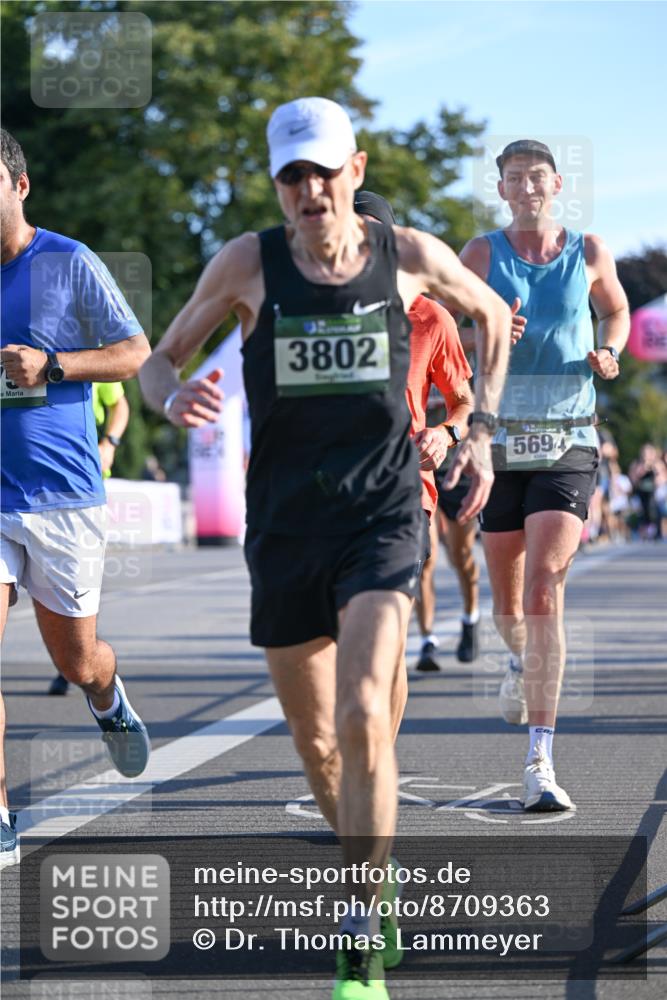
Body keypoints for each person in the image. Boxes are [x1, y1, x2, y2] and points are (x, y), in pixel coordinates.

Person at [139, 97, 510, 999]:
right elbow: (159, 357)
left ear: (355, 169)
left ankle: (354, 931)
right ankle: (369, 882)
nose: (310, 190)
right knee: (317, 743)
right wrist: (169, 394)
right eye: (291, 176)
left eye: (324, 171)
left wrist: (479, 432)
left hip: (383, 518)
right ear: (278, 184)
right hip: (283, 529)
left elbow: (493, 318)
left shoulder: (407, 255)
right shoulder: (247, 264)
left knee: (359, 712)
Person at [459, 138, 629, 811]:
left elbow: (613, 309)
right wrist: (489, 330)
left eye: (536, 176)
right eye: (513, 178)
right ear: (500, 189)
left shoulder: (586, 251)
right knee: (507, 608)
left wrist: (607, 350)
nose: (526, 187)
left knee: (543, 588)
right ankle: (515, 657)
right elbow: (450, 330)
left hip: (567, 437)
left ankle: (539, 758)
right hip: (497, 440)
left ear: (555, 183)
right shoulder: (479, 254)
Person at [0, 129, 152, 867]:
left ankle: (106, 697)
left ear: (20, 186)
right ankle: (0, 807)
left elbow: (134, 353)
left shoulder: (66, 260)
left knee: (76, 659)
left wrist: (52, 365)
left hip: (61, 496)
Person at [352, 191, 474, 678]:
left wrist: (447, 432)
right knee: (342, 638)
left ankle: (377, 751)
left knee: (387, 638)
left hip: (404, 488)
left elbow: (464, 401)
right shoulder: (309, 310)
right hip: (330, 490)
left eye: (372, 232)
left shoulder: (430, 317)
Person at [47, 381, 130, 696]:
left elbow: (120, 405)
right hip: (26, 485)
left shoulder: (85, 344)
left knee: (70, 585)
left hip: (82, 483)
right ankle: (69, 659)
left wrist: (109, 443)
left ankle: (73, 661)